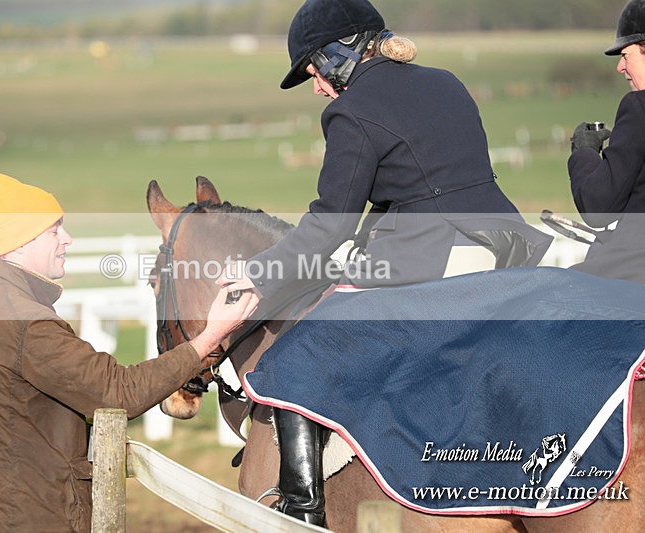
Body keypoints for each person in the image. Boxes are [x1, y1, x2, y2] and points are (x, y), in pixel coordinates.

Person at [217, 0, 551, 526]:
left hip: (434, 263)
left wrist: (259, 272)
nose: (318, 88)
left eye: (314, 71)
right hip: (508, 251)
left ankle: (300, 510)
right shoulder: (446, 81)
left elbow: (330, 223)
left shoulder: (350, 112)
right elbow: (425, 182)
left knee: (290, 359)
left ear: (339, 55)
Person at [0, 173, 257, 532]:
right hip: (31, 517)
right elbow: (119, 392)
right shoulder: (29, 325)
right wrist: (211, 335)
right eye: (54, 230)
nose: (67, 240)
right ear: (19, 243)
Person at [568, 0, 645, 284]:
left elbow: (598, 207)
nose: (620, 67)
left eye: (626, 55)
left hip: (632, 276)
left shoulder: (639, 108)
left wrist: (584, 152)